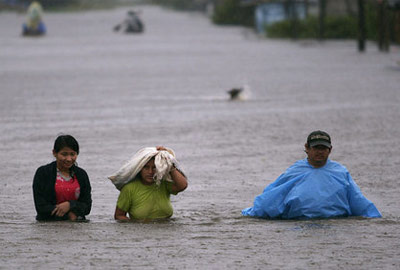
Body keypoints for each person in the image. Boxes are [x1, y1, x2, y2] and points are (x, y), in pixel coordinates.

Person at [242, 130, 381, 219]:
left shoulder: (340, 172)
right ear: (307, 148)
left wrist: (374, 218)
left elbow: (357, 201)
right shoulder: (295, 171)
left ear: (330, 150)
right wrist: (251, 214)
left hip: (336, 226)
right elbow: (271, 198)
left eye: (323, 148)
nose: (320, 152)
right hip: (300, 225)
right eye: (316, 148)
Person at [110, 146, 188, 221]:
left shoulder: (163, 184)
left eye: (154, 167)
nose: (150, 172)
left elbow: (182, 186)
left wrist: (169, 162)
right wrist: (134, 226)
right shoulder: (129, 189)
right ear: (140, 169)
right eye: (146, 168)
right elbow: (119, 216)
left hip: (166, 228)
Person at [32, 135, 92, 221]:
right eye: (64, 154)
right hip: (48, 226)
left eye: (72, 154)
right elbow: (40, 207)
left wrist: (70, 205)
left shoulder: (81, 175)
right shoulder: (43, 173)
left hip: (78, 227)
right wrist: (68, 215)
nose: (68, 159)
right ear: (54, 153)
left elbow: (87, 207)